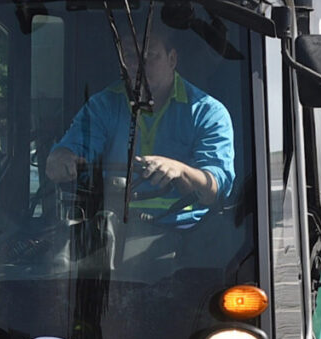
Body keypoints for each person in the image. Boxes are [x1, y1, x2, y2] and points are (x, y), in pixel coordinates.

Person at [46, 27, 235, 225]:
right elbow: (72, 150)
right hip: (107, 231)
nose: (138, 64)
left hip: (184, 235)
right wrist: (61, 159)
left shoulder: (208, 112)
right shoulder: (102, 106)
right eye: (129, 55)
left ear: (172, 59)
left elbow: (216, 189)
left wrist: (180, 170)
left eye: (149, 55)